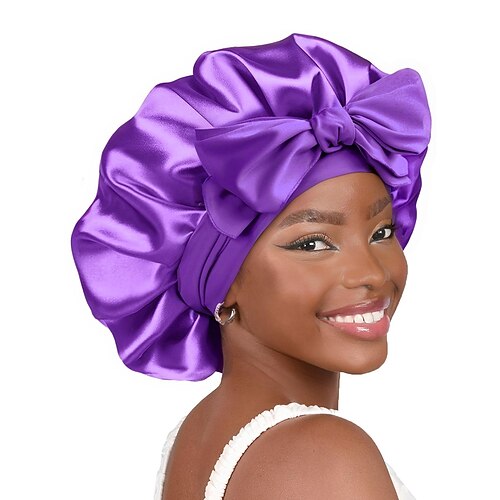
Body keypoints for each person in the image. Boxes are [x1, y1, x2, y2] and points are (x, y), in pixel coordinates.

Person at [71, 33, 431, 499]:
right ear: (222, 286)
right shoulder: (326, 454)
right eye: (313, 243)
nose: (373, 274)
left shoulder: (200, 430)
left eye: (381, 232)